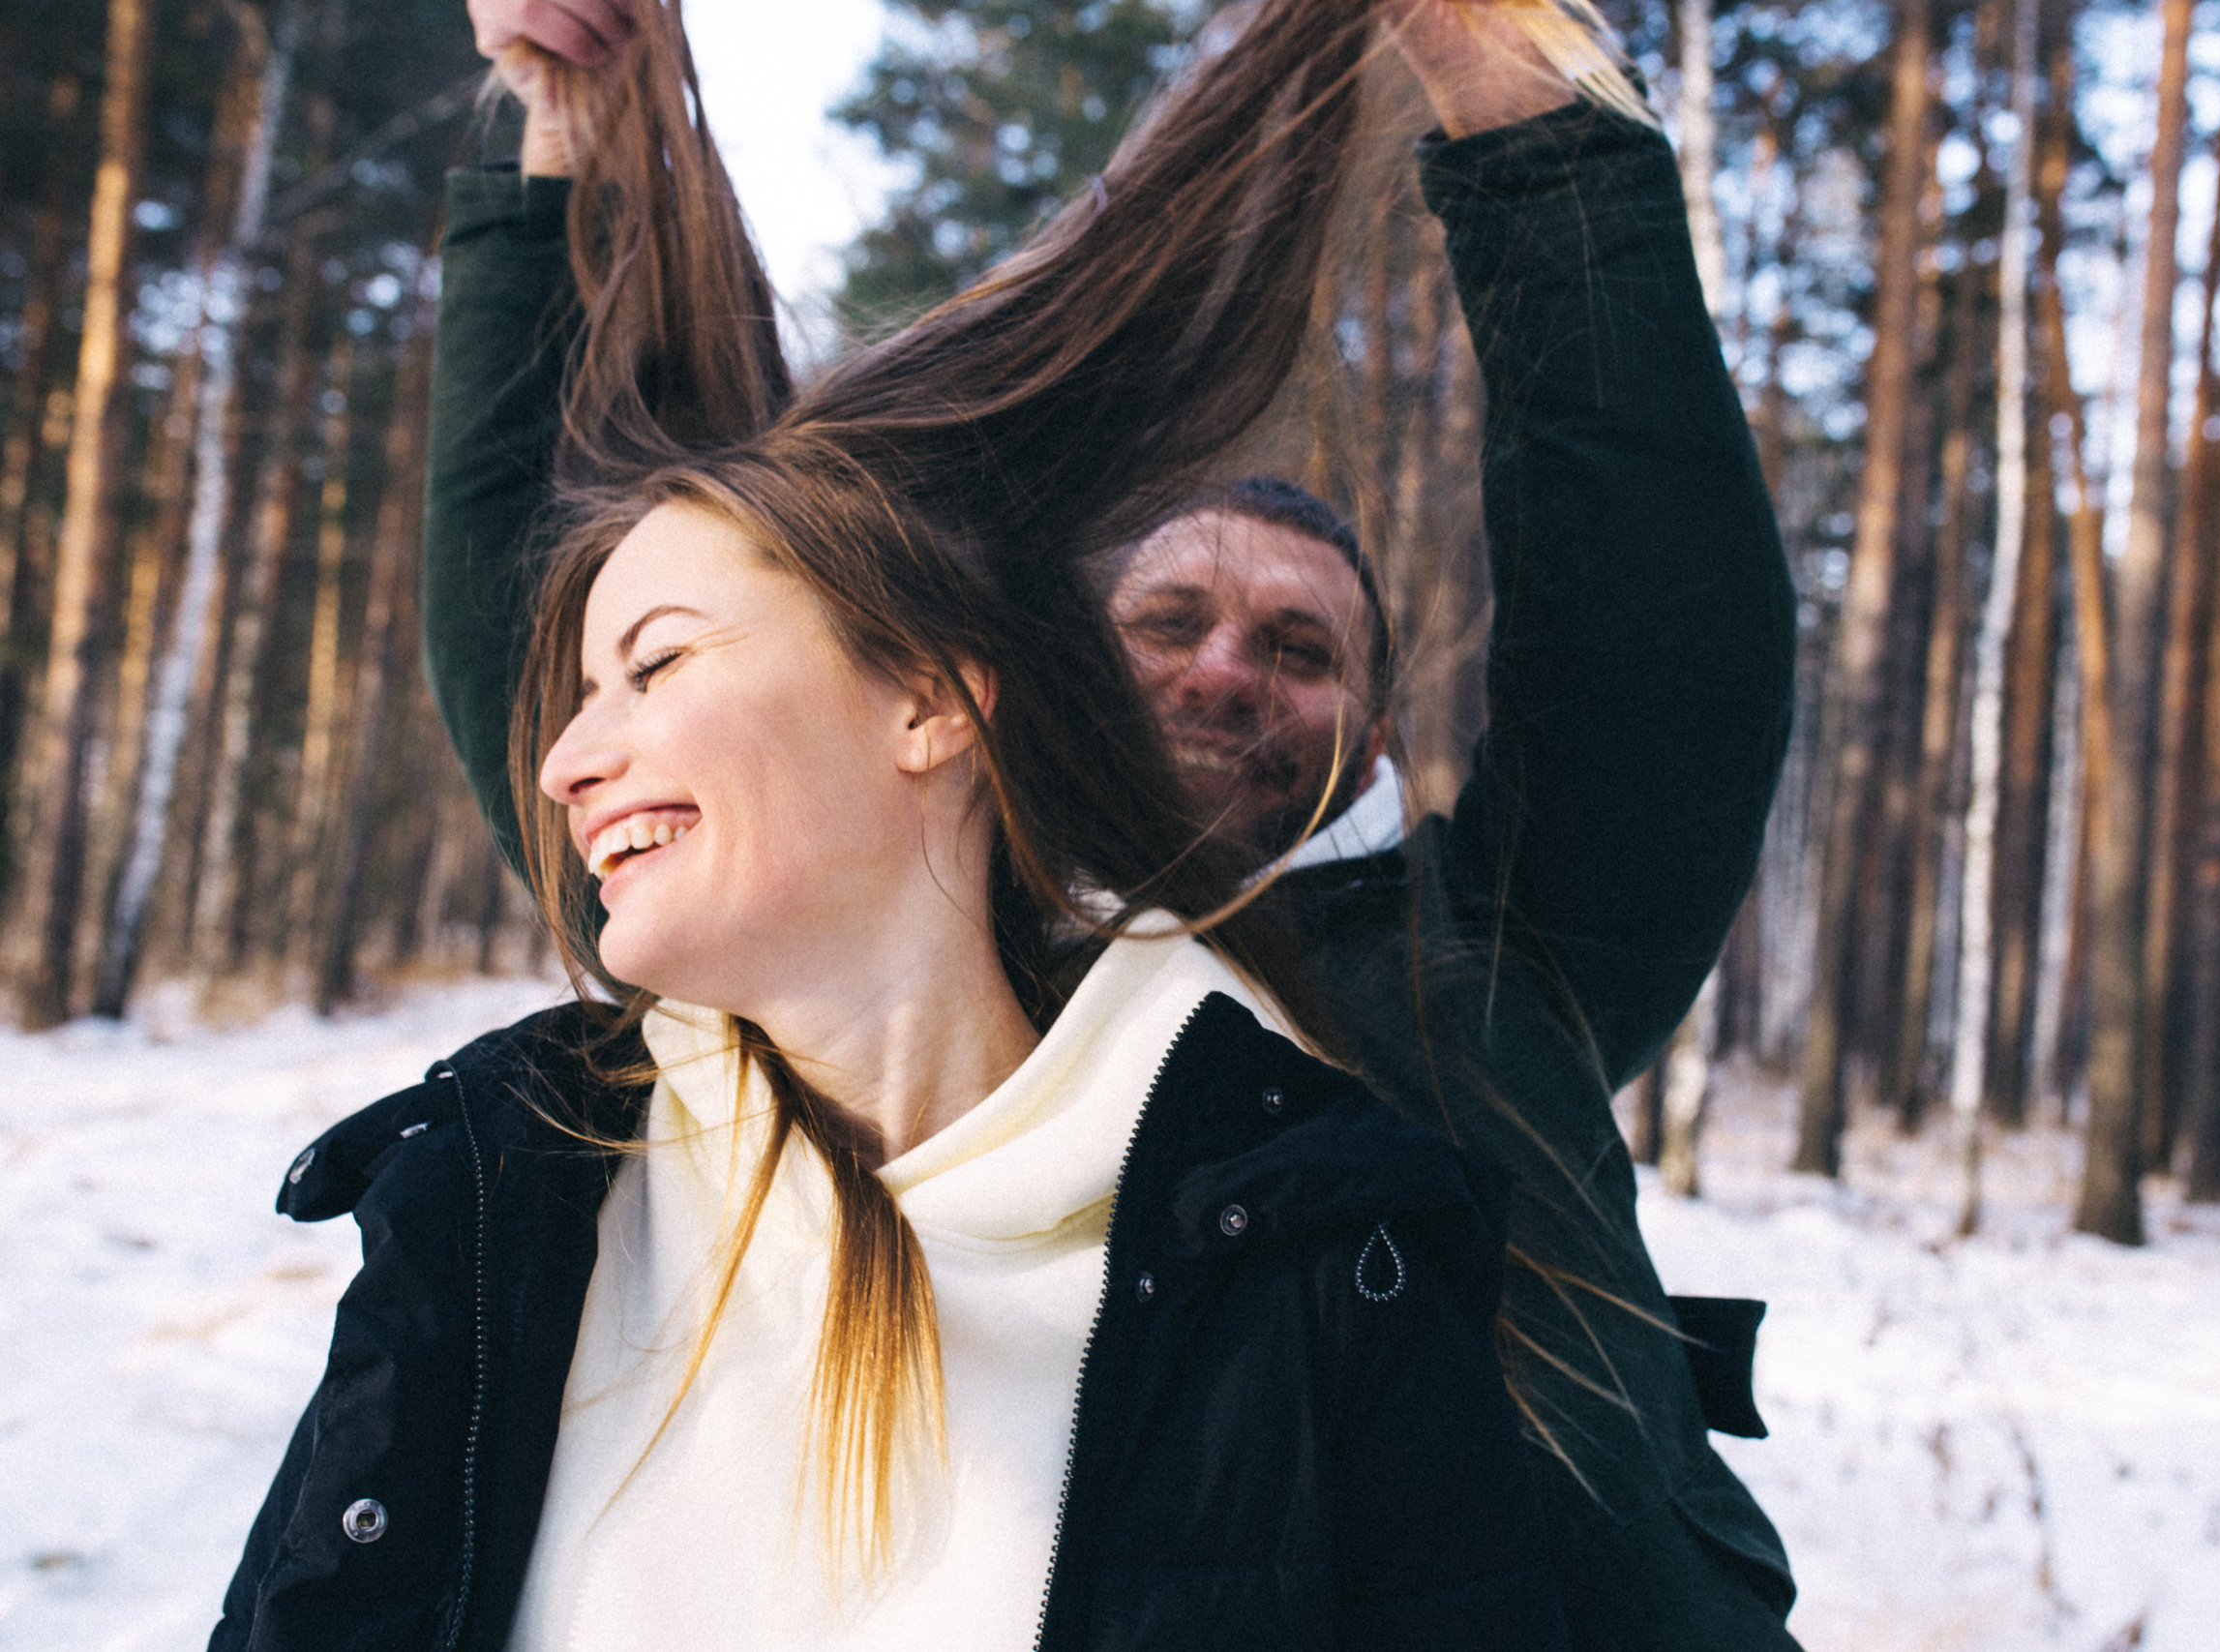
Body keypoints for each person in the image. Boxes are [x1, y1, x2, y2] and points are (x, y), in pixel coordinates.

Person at [424, 0, 1803, 1646]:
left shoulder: (1493, 960)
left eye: (1301, 650)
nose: (1230, 671)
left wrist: (1512, 85)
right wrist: (563, 124)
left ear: (1370, 735)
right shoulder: (839, 906)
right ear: (1028, 673)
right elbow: (540, 649)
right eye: (1172, 620)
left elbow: (1662, 640)